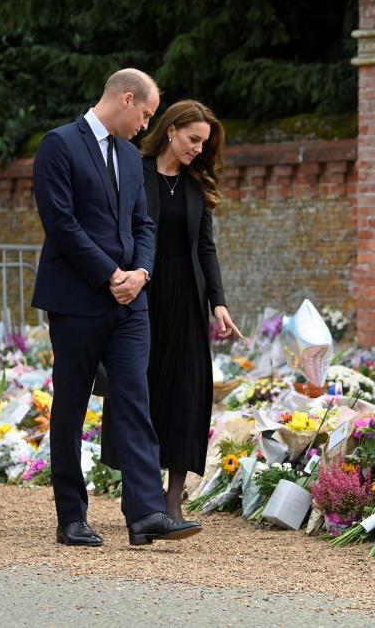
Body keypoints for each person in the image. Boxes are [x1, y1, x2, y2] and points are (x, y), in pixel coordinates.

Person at [32, 69, 201, 546]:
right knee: (70, 405)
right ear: (127, 100)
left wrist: (141, 275)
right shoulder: (59, 145)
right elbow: (61, 225)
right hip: (76, 300)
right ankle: (72, 517)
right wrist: (110, 275)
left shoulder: (129, 156)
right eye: (146, 114)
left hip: (131, 302)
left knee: (134, 400)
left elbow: (144, 225)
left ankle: (146, 513)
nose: (146, 125)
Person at [101, 100, 242, 522]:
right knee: (138, 391)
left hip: (188, 302)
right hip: (140, 297)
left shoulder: (197, 184)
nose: (198, 149)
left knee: (186, 394)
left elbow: (206, 246)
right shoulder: (133, 170)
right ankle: (138, 497)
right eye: (193, 139)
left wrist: (218, 301)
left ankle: (173, 500)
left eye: (204, 142)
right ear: (170, 130)